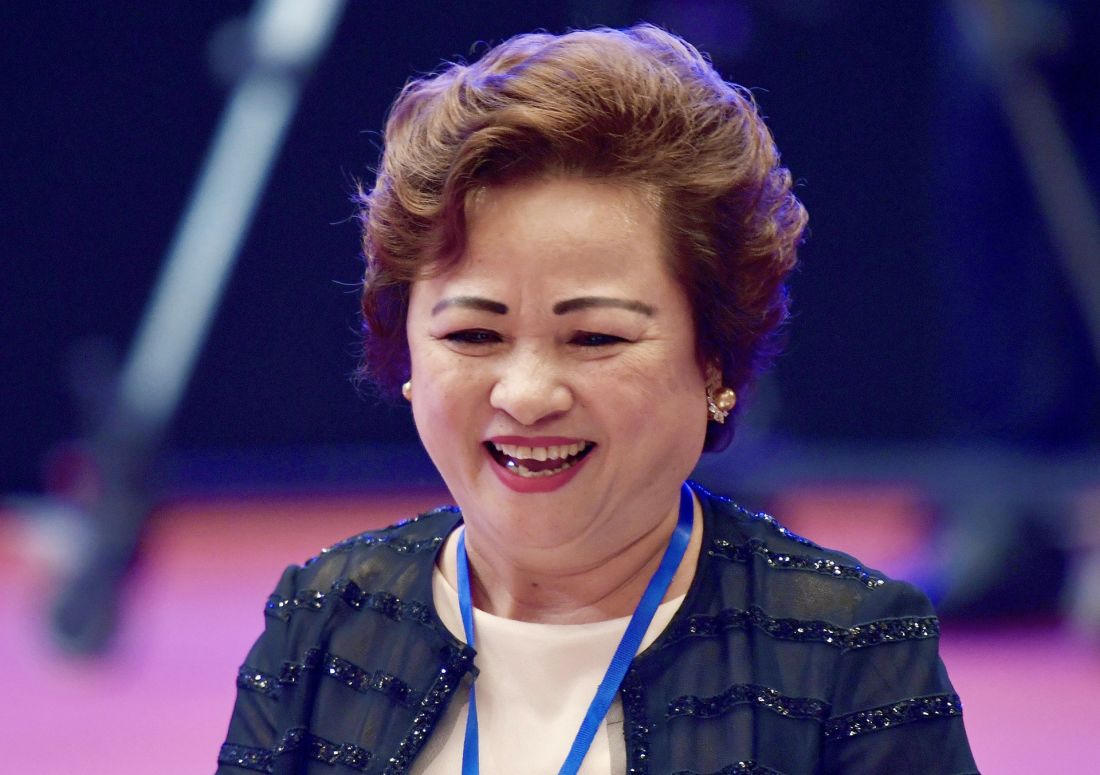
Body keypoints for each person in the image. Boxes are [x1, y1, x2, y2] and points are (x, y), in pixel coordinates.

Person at [217, 24, 977, 775]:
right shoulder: (320, 626)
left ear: (714, 357)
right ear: (408, 349)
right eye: (475, 335)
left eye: (594, 338)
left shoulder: (849, 652)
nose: (527, 395)